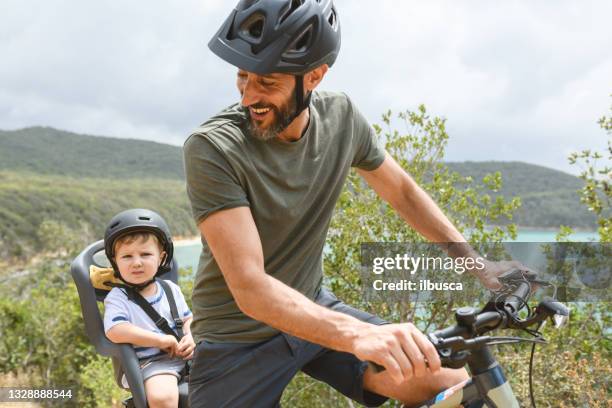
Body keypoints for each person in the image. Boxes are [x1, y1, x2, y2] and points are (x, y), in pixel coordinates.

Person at [184, 1, 522, 406]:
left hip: (313, 307)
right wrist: (359, 335)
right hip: (235, 339)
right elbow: (250, 287)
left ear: (314, 76)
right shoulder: (212, 148)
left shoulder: (341, 117)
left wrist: (478, 265)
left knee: (454, 383)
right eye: (242, 77)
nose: (248, 97)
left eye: (268, 83)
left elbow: (402, 192)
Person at [103, 209, 195, 408]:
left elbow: (188, 319)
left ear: (161, 257)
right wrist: (158, 339)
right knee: (162, 398)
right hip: (151, 364)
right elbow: (115, 330)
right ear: (115, 261)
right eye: (127, 256)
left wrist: (191, 336)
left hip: (186, 357)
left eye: (145, 254)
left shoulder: (170, 290)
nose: (137, 262)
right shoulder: (118, 298)